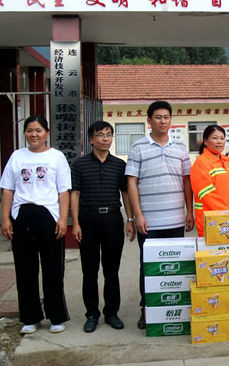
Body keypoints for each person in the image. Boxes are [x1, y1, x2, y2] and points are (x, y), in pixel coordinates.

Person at [0, 115, 71, 334]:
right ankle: (30, 317)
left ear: (47, 133)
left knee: (53, 269)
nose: (34, 135)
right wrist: (5, 218)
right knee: (25, 269)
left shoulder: (57, 157)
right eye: (29, 130)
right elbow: (8, 189)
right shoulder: (17, 156)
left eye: (38, 130)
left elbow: (64, 191)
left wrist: (63, 219)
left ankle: (56, 317)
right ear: (25, 133)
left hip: (49, 215)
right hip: (22, 215)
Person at [126, 101, 195, 330]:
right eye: (158, 117)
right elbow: (131, 183)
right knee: (148, 267)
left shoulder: (181, 147)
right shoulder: (138, 147)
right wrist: (137, 215)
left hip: (175, 220)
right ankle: (147, 310)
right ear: (149, 120)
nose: (162, 121)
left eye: (166, 117)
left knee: (175, 265)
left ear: (170, 120)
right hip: (149, 221)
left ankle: (173, 311)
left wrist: (189, 211)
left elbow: (187, 181)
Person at [71, 121, 134, 333]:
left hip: (112, 220)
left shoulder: (119, 165)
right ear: (91, 139)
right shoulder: (80, 165)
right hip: (87, 220)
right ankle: (91, 314)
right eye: (100, 135)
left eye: (109, 134)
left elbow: (126, 193)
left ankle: (111, 313)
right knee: (89, 271)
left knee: (111, 270)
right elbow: (75, 194)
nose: (105, 139)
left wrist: (130, 219)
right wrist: (75, 223)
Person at [190, 125, 229, 236]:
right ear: (205, 141)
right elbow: (207, 194)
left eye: (222, 138)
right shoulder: (201, 163)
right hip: (214, 223)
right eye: (215, 138)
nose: (219, 142)